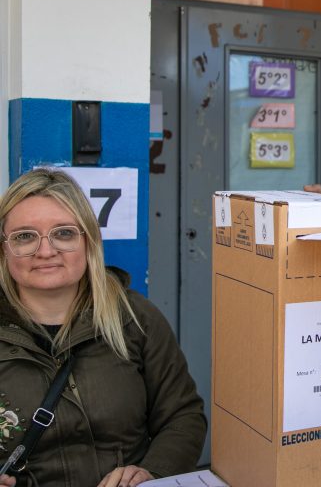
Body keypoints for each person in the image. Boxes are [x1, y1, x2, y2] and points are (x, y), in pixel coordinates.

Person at [0, 168, 206, 487]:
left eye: (63, 233)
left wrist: (153, 471)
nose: (45, 251)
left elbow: (183, 416)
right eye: (24, 236)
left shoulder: (136, 318)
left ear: (89, 240)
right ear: (4, 248)